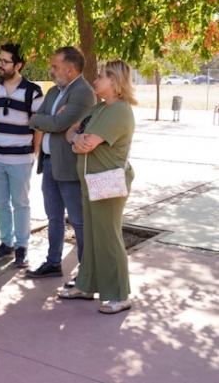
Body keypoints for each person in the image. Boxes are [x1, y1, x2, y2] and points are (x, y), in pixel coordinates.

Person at [58, 59, 136, 315]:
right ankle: (86, 285)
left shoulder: (120, 110)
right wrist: (75, 138)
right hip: (91, 182)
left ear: (113, 80)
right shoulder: (100, 108)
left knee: (108, 238)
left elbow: (87, 142)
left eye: (100, 76)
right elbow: (72, 131)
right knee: (91, 237)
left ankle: (119, 294)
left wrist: (77, 139)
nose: (95, 80)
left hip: (108, 183)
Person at [26, 46, 96, 283]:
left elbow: (59, 123)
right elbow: (37, 119)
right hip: (48, 164)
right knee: (53, 217)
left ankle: (86, 271)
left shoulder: (83, 92)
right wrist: (48, 120)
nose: (51, 70)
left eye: (55, 66)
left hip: (69, 166)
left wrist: (48, 121)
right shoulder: (55, 91)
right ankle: (54, 262)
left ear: (70, 68)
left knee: (78, 220)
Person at [0, 44, 44, 267]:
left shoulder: (33, 91)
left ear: (18, 65)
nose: (0, 65)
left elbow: (38, 125)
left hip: (20, 157)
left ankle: (22, 246)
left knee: (20, 203)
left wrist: (33, 150)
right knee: (0, 204)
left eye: (5, 61)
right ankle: (6, 243)